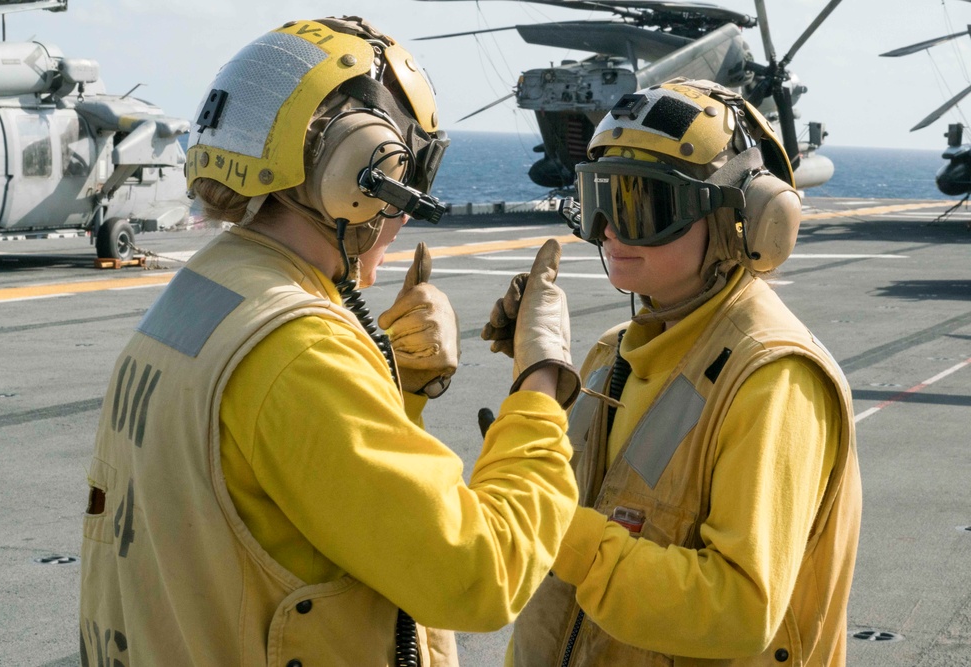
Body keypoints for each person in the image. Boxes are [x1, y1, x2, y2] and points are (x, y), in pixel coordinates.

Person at [78, 17, 582, 666]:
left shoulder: (202, 295)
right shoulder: (301, 350)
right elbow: (478, 574)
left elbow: (284, 511)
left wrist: (393, 389)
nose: (407, 209)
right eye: (410, 174)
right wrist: (540, 380)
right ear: (363, 173)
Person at [494, 79, 862, 666]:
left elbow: (741, 610)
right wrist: (539, 377)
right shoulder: (610, 357)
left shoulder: (771, 380)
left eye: (640, 205)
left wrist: (556, 527)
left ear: (743, 219)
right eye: (598, 201)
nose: (610, 230)